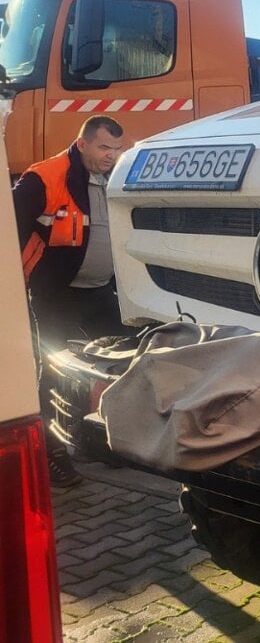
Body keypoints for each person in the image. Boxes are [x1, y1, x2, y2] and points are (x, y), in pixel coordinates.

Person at [13, 115, 127, 486]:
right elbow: (8, 226)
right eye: (104, 147)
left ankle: (104, 439)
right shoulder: (44, 178)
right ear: (83, 144)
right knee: (48, 373)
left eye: (116, 148)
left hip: (100, 291)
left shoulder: (116, 178)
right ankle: (52, 454)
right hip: (54, 294)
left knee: (122, 363)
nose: (111, 155)